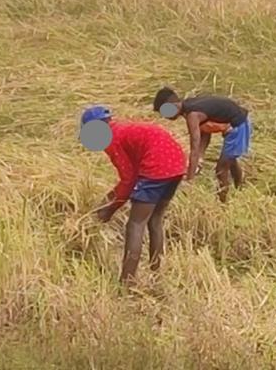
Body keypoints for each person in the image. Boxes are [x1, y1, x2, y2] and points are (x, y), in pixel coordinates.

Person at [82, 105, 185, 283]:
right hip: (176, 164)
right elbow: (133, 173)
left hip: (157, 167)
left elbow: (128, 180)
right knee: (155, 219)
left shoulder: (112, 140)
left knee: (135, 225)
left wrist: (108, 208)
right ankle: (156, 273)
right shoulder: (122, 130)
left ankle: (127, 281)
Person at [153, 88, 251, 203]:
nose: (166, 116)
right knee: (230, 159)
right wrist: (200, 158)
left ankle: (223, 203)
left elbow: (194, 148)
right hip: (236, 123)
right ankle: (240, 188)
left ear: (172, 105)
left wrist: (190, 180)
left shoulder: (192, 115)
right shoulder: (189, 106)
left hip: (238, 126)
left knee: (221, 169)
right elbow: (205, 133)